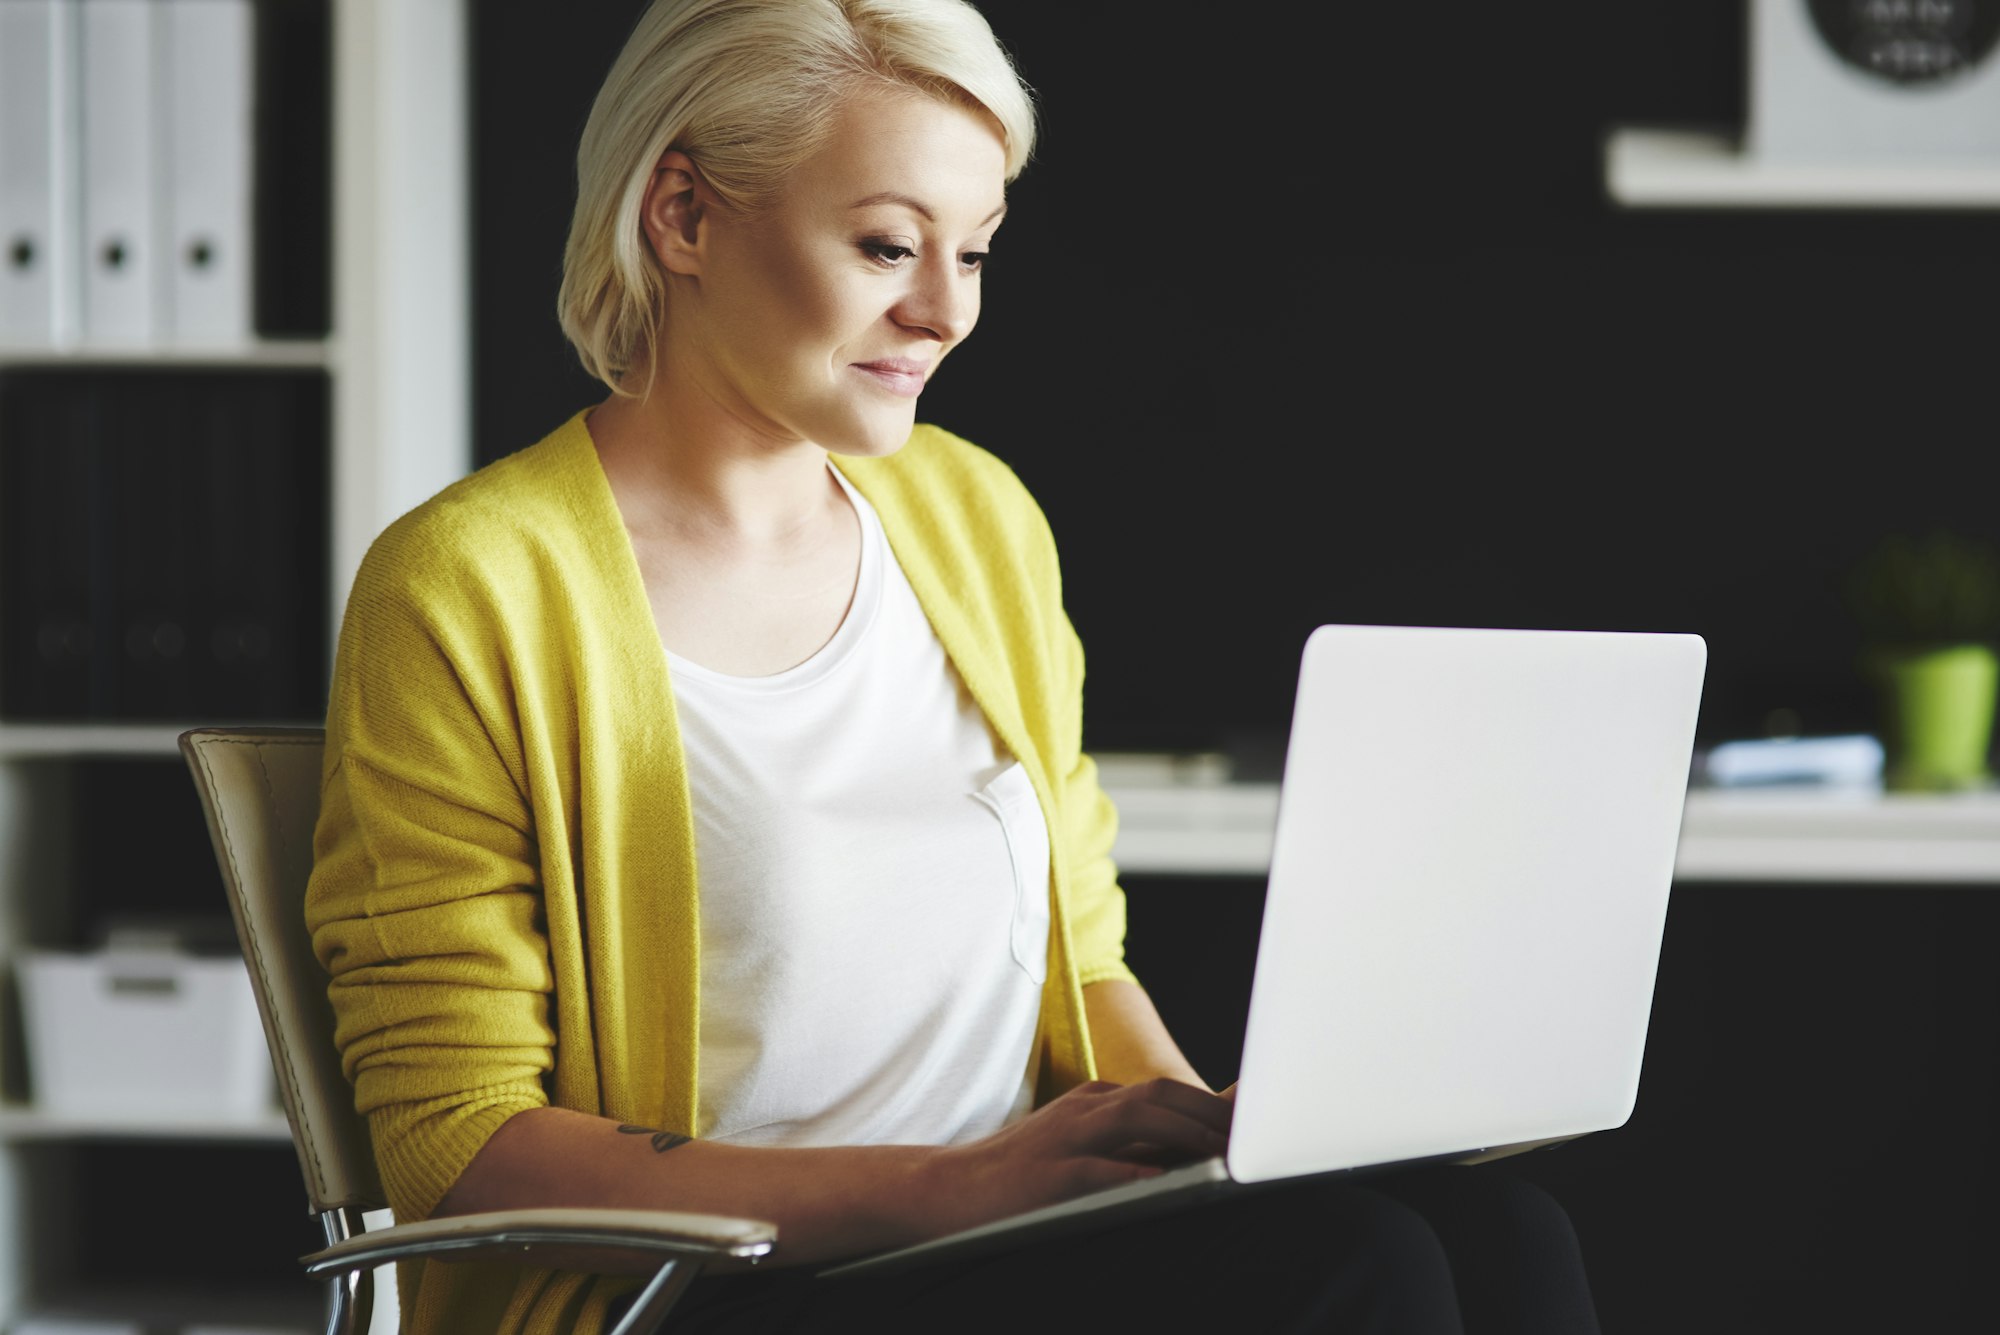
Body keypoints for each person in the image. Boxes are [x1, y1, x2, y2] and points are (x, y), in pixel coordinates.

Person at [305, 1, 1605, 1331]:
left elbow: (1081, 955)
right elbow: (458, 1143)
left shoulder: (974, 518)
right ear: (683, 217)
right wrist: (951, 1188)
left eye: (973, 252)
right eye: (885, 245)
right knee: (1353, 1272)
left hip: (1007, 1242)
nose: (942, 312)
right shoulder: (470, 584)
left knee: (1501, 1231)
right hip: (713, 1287)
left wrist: (1205, 1146)